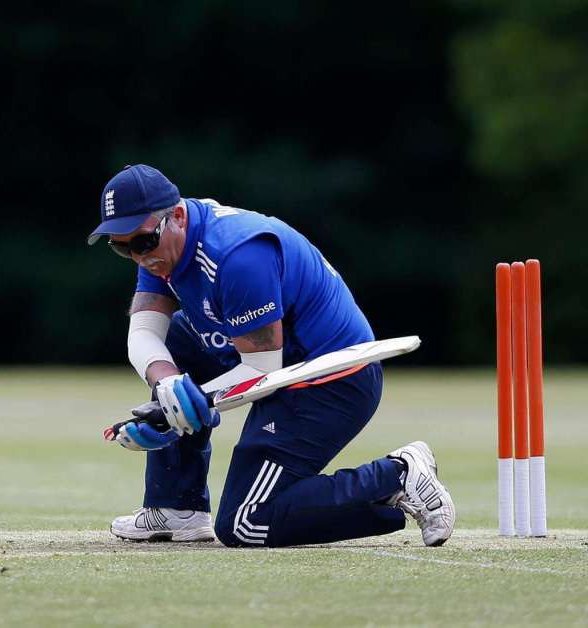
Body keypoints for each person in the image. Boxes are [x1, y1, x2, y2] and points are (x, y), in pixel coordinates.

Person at [87, 164, 455, 547]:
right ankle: (178, 508)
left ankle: (397, 475)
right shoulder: (162, 248)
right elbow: (144, 332)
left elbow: (260, 371)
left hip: (332, 378)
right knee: (177, 340)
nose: (138, 257)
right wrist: (167, 388)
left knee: (245, 523)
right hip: (277, 364)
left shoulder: (238, 256)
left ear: (177, 216)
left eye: (143, 242)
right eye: (122, 247)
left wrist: (183, 407)